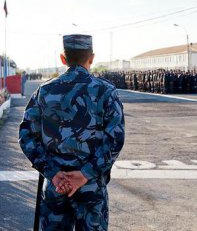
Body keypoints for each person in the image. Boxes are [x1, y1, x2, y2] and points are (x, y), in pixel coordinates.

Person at [19, 34, 125, 231]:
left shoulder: (45, 91)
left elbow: (27, 136)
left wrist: (53, 173)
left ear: (63, 58)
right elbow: (115, 140)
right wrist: (85, 174)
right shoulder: (106, 91)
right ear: (91, 58)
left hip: (55, 186)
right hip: (91, 189)